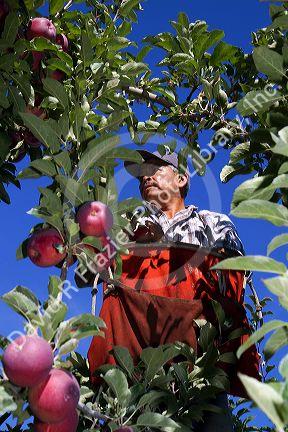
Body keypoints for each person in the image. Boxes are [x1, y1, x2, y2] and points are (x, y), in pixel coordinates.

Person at [88, 149, 260, 432]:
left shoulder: (211, 222)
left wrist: (166, 247)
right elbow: (93, 273)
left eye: (155, 170)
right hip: (138, 372)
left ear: (181, 179)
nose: (146, 178)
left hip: (199, 367)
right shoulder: (128, 233)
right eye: (142, 175)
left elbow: (232, 274)